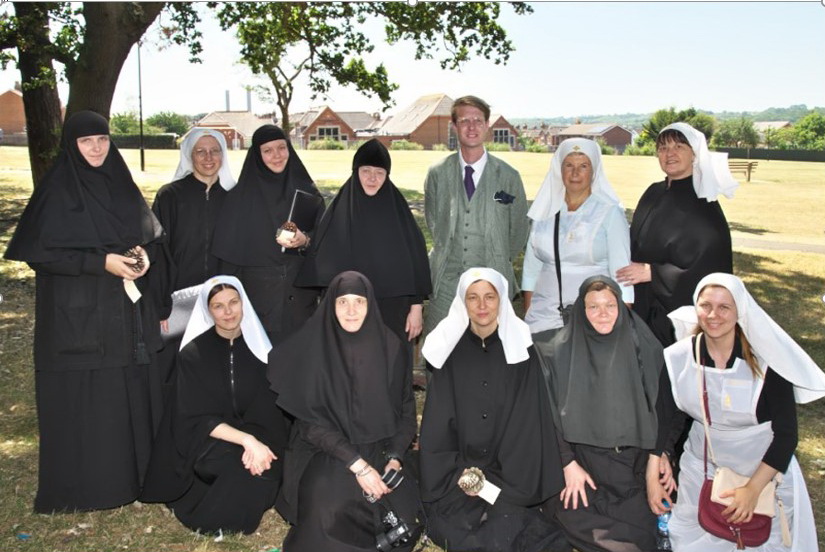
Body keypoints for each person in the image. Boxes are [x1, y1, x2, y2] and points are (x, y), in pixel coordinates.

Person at [4, 110, 164, 512]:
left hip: (123, 318)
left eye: (103, 140)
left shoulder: (120, 182)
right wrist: (99, 263)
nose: (96, 148)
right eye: (86, 141)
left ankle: (135, 479)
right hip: (77, 318)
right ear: (71, 146)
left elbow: (148, 233)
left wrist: (142, 254)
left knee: (124, 394)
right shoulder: (57, 189)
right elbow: (40, 254)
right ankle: (90, 488)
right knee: (88, 401)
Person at [649, 273, 824, 551]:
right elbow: (664, 417)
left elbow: (787, 436)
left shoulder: (767, 364)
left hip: (763, 472)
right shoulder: (678, 357)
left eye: (724, 307)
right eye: (706, 305)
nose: (713, 315)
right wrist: (654, 471)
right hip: (702, 468)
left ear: (739, 311)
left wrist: (752, 491)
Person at [269, 271, 420, 552]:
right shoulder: (315, 349)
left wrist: (395, 458)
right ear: (330, 306)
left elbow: (406, 412)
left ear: (370, 304)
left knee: (406, 523)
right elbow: (311, 425)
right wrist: (358, 466)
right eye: (342, 302)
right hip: (328, 451)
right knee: (332, 514)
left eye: (359, 302)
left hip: (380, 448)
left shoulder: (392, 348)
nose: (351, 311)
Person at [419, 267, 567, 552]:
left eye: (490, 297)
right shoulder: (448, 353)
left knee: (503, 524)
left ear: (502, 301)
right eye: (473, 298)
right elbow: (438, 425)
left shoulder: (522, 353)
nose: (482, 306)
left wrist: (492, 482)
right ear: (463, 303)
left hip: (510, 476)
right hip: (455, 475)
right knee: (456, 525)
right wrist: (461, 473)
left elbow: (527, 425)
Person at [141, 275, 287, 535]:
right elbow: (193, 416)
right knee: (237, 469)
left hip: (261, 439)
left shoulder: (266, 351)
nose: (228, 311)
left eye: (233, 302)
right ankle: (213, 523)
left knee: (262, 469)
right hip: (208, 440)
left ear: (244, 304)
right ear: (208, 311)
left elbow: (271, 415)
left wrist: (258, 444)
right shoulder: (193, 353)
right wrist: (246, 441)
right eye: (218, 306)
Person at [541, 276, 664, 552]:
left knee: (649, 526)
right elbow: (548, 415)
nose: (603, 313)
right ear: (581, 312)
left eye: (610, 305)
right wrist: (567, 464)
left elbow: (665, 408)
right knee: (568, 509)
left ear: (621, 307)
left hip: (633, 464)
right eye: (593, 306)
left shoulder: (645, 346)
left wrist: (663, 452)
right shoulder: (559, 353)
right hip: (585, 464)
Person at [296, 138, 431, 345]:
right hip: (349, 314)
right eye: (366, 171)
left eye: (379, 173)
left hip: (393, 314)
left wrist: (416, 309)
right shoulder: (339, 214)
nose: (372, 179)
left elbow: (416, 263)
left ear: (387, 176)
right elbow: (323, 270)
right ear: (356, 172)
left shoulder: (399, 213)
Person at [616, 122, 739, 346]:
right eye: (663, 148)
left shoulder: (703, 202)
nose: (669, 154)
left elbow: (711, 263)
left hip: (677, 316)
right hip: (642, 304)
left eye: (678, 147)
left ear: (694, 154)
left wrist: (653, 272)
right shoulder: (653, 192)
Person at [424, 95, 528, 332]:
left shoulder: (508, 177)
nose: (471, 127)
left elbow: (518, 229)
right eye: (464, 121)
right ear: (454, 126)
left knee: (490, 355)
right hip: (447, 282)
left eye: (478, 121)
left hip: (492, 283)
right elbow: (434, 222)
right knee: (438, 354)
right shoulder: (437, 174)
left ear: (487, 125)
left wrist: (497, 254)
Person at [211, 125, 324, 344]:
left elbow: (325, 240)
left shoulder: (308, 192)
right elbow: (227, 259)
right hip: (257, 305)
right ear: (257, 155)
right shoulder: (238, 199)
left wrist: (305, 240)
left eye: (282, 148)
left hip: (301, 303)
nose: (277, 156)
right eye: (268, 150)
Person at [522, 138, 633, 353]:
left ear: (594, 170)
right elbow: (530, 270)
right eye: (569, 165)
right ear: (559, 169)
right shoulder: (544, 211)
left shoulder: (610, 213)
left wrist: (621, 328)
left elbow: (623, 275)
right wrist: (528, 315)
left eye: (583, 166)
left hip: (593, 318)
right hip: (543, 317)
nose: (575, 173)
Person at [150, 129, 236, 393]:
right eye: (200, 151)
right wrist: (160, 303)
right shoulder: (170, 196)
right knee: (176, 369)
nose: (208, 157)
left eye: (215, 150)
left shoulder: (236, 197)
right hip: (179, 299)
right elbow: (157, 253)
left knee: (217, 368)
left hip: (223, 300)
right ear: (189, 155)